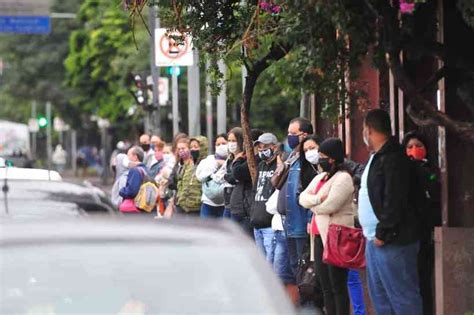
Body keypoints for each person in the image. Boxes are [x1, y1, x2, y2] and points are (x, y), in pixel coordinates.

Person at [359, 109, 422, 314]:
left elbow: (394, 200)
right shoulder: (376, 157)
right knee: (381, 300)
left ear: (368, 130)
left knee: (402, 298)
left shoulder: (394, 158)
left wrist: (383, 233)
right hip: (374, 240)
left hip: (393, 240)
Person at [300, 138, 354, 315]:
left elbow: (330, 206)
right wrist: (316, 200)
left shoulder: (343, 178)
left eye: (323, 156)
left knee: (337, 286)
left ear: (332, 158)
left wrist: (314, 205)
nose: (320, 159)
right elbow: (302, 198)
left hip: (336, 237)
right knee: (325, 287)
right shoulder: (320, 177)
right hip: (318, 237)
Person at [402, 131, 441, 315]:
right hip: (407, 235)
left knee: (424, 279)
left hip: (425, 234)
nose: (414, 150)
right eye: (409, 147)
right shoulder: (401, 172)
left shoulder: (431, 171)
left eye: (418, 146)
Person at [275, 118, 313, 279]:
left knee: (304, 268)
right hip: (288, 223)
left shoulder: (309, 160)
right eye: (288, 133)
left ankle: (309, 302)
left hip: (301, 224)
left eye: (293, 133)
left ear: (304, 135)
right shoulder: (291, 157)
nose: (289, 137)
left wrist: (310, 219)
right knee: (294, 266)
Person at [250, 133, 279, 262]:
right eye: (259, 147)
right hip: (257, 223)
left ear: (275, 147)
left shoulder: (280, 166)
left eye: (266, 146)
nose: (262, 150)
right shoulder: (261, 165)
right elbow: (255, 190)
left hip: (270, 225)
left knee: (270, 263)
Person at [229, 129, 263, 236]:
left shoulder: (257, 160)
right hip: (238, 208)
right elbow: (231, 176)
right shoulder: (246, 158)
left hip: (247, 210)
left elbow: (237, 173)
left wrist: (237, 160)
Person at [196, 134, 228, 218]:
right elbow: (200, 177)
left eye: (224, 143)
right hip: (208, 203)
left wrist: (225, 164)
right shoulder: (209, 160)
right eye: (218, 144)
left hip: (225, 205)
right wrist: (216, 163)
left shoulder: (233, 160)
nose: (221, 146)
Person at [174, 136, 208, 215]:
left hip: (197, 210)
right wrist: (180, 199)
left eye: (196, 147)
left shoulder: (207, 165)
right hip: (182, 208)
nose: (193, 149)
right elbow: (180, 183)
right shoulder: (188, 165)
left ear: (202, 148)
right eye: (191, 147)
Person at [119, 146, 148, 214]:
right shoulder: (145, 170)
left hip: (134, 208)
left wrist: (122, 191)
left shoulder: (135, 170)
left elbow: (132, 191)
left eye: (128, 155)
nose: (127, 158)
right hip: (144, 206)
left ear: (135, 157)